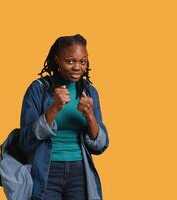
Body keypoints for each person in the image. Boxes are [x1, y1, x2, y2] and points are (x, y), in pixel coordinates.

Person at [19, 34, 109, 200]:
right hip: (45, 172)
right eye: (70, 61)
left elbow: (100, 146)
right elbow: (25, 141)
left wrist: (90, 116)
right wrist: (54, 108)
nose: (77, 67)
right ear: (57, 60)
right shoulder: (38, 89)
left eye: (82, 62)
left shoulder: (89, 92)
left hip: (80, 172)